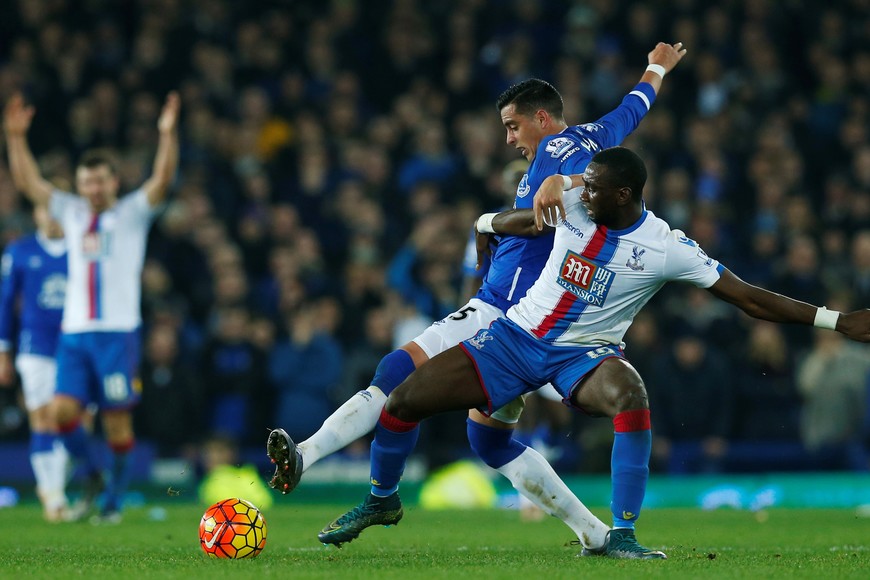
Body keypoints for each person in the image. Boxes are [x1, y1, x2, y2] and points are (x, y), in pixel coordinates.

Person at [317, 146, 870, 559]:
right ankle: (382, 498)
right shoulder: (575, 200)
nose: (583, 190)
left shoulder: (666, 248)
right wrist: (486, 223)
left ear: (623, 194)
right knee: (403, 402)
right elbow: (531, 217)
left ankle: (622, 534)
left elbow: (749, 298)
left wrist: (838, 320)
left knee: (630, 392)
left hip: (582, 356)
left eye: (594, 185)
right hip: (513, 340)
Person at [267, 42, 687, 553]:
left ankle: (314, 460)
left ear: (541, 118)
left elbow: (560, 188)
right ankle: (595, 534)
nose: (510, 140)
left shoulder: (558, 151)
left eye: (513, 127)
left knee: (394, 373)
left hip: (505, 316)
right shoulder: (596, 138)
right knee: (489, 442)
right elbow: (631, 110)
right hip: (529, 321)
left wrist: (530, 197)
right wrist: (655, 69)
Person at [3, 90, 181, 523]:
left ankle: (113, 499)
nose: (93, 189)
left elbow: (161, 180)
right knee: (61, 412)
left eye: (100, 181)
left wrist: (167, 135)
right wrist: (14, 138)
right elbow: (30, 184)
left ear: (113, 182)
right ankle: (93, 473)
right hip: (75, 334)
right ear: (79, 185)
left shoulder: (133, 212)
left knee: (117, 425)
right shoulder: (71, 211)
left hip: (118, 334)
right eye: (86, 182)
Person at [0, 205, 68, 521]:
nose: (53, 215)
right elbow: (4, 300)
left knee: (74, 421)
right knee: (42, 416)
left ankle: (58, 486)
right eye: (47, 208)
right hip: (35, 346)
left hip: (76, 345)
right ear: (37, 213)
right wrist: (3, 350)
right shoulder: (20, 250)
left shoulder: (82, 250)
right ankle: (52, 495)